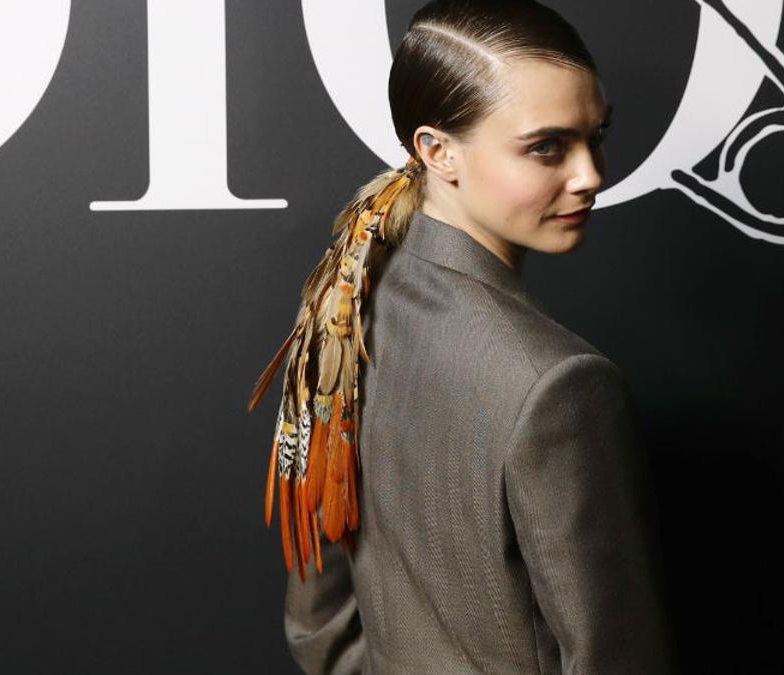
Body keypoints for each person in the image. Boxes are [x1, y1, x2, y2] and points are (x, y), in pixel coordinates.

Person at [251, 1, 675, 672]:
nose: (591, 174)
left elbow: (317, 622)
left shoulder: (342, 306)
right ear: (437, 151)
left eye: (596, 135)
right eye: (547, 146)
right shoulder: (561, 386)